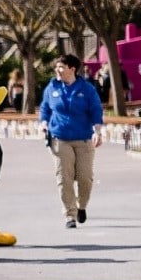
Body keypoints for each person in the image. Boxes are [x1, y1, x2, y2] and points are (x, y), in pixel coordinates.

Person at [38, 54, 105, 229]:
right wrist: (43, 123)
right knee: (64, 178)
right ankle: (70, 214)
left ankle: (81, 206)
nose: (57, 70)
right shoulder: (52, 87)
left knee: (85, 178)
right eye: (56, 67)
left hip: (83, 139)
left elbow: (96, 111)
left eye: (61, 67)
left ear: (72, 69)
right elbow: (45, 108)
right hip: (60, 138)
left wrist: (97, 131)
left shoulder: (87, 89)